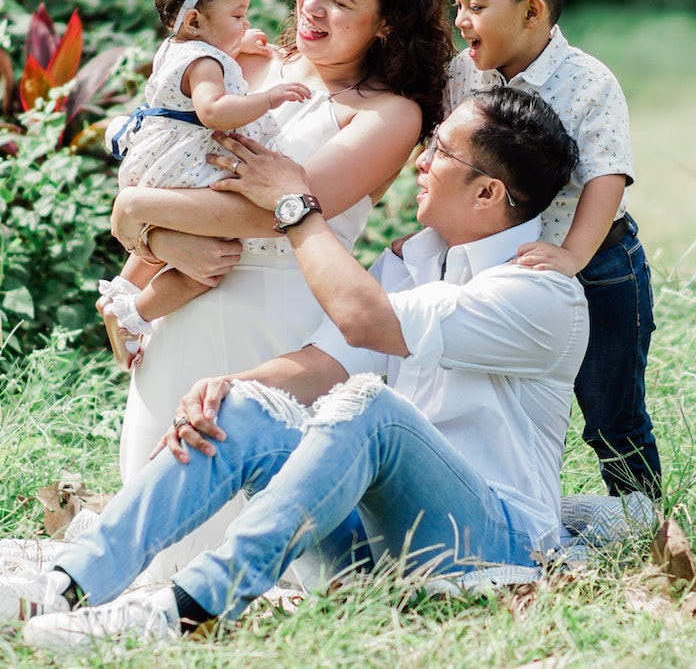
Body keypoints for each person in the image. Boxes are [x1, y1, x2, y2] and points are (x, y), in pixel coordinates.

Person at [2, 89, 598, 648]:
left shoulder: (542, 295)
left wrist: (296, 206)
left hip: (494, 542)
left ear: (488, 193)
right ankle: (64, 585)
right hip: (379, 545)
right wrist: (229, 392)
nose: (422, 158)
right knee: (242, 405)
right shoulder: (413, 263)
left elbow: (364, 324)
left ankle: (188, 608)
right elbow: (323, 363)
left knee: (374, 409)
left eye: (440, 149)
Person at [104, 0, 452, 577]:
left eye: (341, 0)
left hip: (277, 333)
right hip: (178, 321)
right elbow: (182, 165)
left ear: (386, 23)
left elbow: (270, 215)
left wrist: (135, 208)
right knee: (150, 546)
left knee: (264, 559)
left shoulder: (387, 114)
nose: (312, 5)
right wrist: (129, 282)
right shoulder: (244, 65)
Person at [444, 0, 661, 499]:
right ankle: (509, 500)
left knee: (610, 408)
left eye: (475, 5)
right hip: (506, 270)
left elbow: (606, 178)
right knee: (499, 400)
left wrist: (570, 256)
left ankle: (639, 515)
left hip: (599, 266)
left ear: (532, 10)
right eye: (458, 2)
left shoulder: (588, 82)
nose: (460, 19)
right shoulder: (464, 76)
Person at [98, 0, 312, 371]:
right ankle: (135, 316)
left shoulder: (180, 48)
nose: (245, 21)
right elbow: (213, 110)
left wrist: (236, 42)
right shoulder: (206, 63)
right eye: (237, 15)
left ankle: (121, 291)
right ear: (195, 20)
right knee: (210, 263)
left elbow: (200, 69)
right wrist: (269, 97)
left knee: (168, 235)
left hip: (159, 161)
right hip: (187, 164)